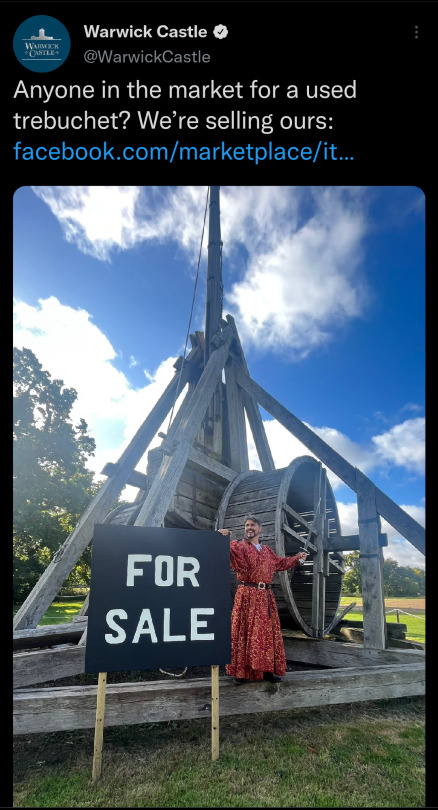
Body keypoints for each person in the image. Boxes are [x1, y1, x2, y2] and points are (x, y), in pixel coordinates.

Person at [219, 515, 308, 684]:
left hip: (266, 596)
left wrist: (297, 558)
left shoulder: (267, 551)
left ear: (260, 529)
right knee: (243, 631)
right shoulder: (238, 546)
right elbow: (221, 549)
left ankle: (267, 671)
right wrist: (220, 536)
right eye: (246, 525)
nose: (249, 528)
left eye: (252, 525)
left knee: (266, 634)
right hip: (246, 594)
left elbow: (281, 563)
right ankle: (240, 673)